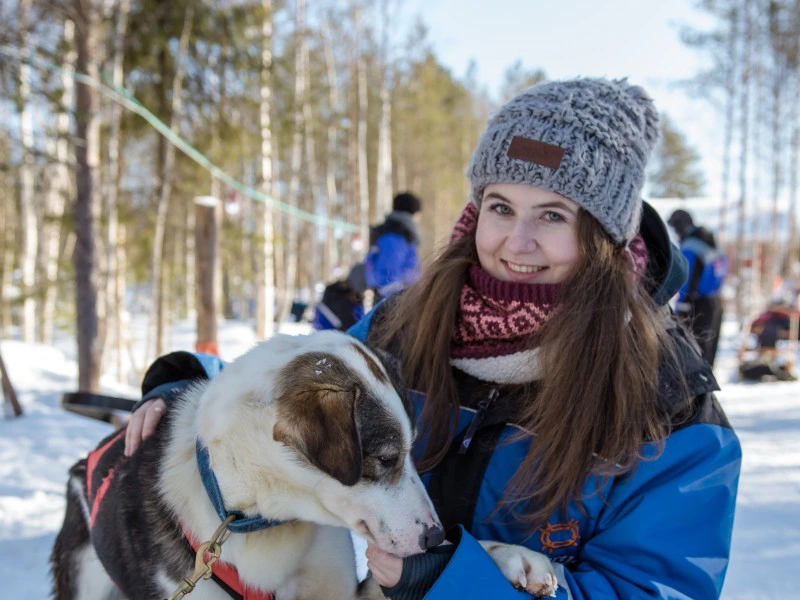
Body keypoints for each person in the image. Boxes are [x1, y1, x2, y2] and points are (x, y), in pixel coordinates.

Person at [126, 79, 741, 599]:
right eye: (500, 207)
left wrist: (455, 583)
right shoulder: (410, 324)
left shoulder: (670, 408)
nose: (516, 242)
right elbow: (294, 394)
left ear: (606, 236)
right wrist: (189, 386)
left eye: (552, 215)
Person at [667, 209, 727, 367]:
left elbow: (688, 273)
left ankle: (692, 390)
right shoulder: (710, 240)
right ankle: (707, 388)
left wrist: (683, 302)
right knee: (708, 351)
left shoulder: (691, 245)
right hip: (716, 301)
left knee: (692, 350)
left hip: (697, 304)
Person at [365, 192, 423, 300]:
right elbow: (387, 279)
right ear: (413, 213)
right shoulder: (395, 237)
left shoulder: (401, 234)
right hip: (394, 306)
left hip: (401, 301)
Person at [311, 263, 367, 331]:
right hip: (335, 338)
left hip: (320, 335)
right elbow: (355, 330)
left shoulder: (331, 291)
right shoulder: (350, 303)